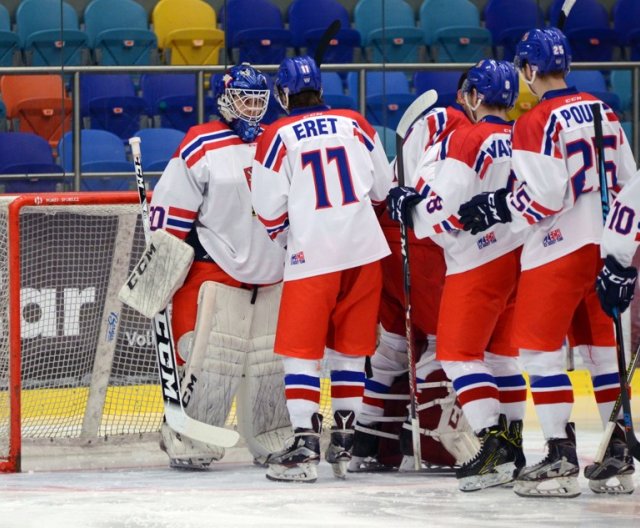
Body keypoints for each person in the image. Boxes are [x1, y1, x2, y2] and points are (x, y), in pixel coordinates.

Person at [457, 28, 637, 497]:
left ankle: (559, 454)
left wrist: (498, 208)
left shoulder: (535, 120)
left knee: (539, 352)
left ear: (530, 69)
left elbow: (541, 198)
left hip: (557, 248)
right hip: (606, 245)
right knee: (602, 353)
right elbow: (629, 183)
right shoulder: (607, 110)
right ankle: (616, 451)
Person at [251, 55, 394, 483]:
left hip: (312, 255)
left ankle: (305, 443)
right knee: (350, 352)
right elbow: (382, 189)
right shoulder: (355, 123)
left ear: (283, 94)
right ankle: (345, 440)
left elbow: (266, 208)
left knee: (302, 353)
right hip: (365, 252)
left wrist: (293, 238)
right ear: (321, 89)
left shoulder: (277, 134)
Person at [387, 59, 527, 491]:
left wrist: (408, 208)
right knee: (502, 357)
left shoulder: (466, 137)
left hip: (477, 261)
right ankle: (514, 443)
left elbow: (442, 210)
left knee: (458, 355)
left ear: (476, 96)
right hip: (520, 257)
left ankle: (493, 446)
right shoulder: (521, 136)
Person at [147, 63, 291, 469]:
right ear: (225, 100)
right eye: (244, 98)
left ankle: (272, 435)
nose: (252, 108)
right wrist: (157, 280)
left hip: (274, 275)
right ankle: (190, 435)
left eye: (259, 100)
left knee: (270, 366)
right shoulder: (201, 143)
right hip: (216, 270)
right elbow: (170, 216)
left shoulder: (279, 140)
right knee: (211, 360)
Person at [349, 73, 479, 472]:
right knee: (444, 340)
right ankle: (428, 439)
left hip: (384, 238)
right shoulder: (454, 123)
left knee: (391, 349)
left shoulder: (429, 125)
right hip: (421, 240)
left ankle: (370, 443)